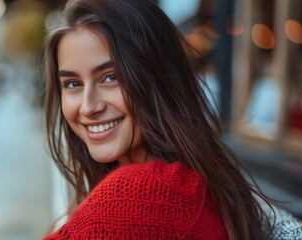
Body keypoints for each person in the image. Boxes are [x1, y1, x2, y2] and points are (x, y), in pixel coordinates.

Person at [42, 0, 274, 239]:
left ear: (158, 80)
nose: (88, 106)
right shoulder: (184, 183)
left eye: (111, 77)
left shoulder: (140, 193)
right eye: (72, 84)